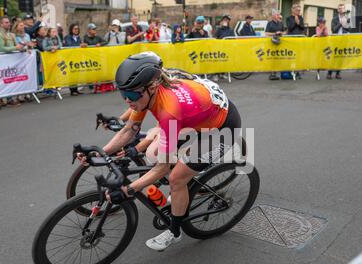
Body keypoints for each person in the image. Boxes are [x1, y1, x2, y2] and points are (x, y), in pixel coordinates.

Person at [78, 52, 242, 251]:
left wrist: (129, 190)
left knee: (175, 179)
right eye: (123, 95)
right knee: (155, 152)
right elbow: (129, 129)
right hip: (199, 115)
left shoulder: (169, 111)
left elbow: (162, 168)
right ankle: (189, 183)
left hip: (222, 130)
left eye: (131, 95)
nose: (128, 100)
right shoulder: (145, 93)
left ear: (152, 86)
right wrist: (98, 153)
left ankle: (175, 231)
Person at [0, 16, 26, 107]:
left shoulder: (12, 35)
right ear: (1, 24)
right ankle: (4, 98)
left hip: (13, 62)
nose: (8, 24)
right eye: (6, 22)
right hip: (3, 62)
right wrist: (15, 48)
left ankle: (12, 98)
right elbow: (1, 49)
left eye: (8, 22)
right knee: (4, 80)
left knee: (12, 80)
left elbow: (17, 46)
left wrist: (23, 49)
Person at [328, 4, 351, 80]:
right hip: (335, 40)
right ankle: (329, 73)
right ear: (338, 10)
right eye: (340, 9)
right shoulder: (334, 19)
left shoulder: (347, 18)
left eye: (342, 8)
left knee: (340, 57)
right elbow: (333, 30)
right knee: (333, 57)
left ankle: (338, 73)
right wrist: (340, 24)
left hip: (343, 40)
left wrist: (345, 25)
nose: (341, 10)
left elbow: (349, 29)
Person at [64, 24, 86, 95]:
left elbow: (80, 45)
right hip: (70, 57)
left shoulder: (79, 37)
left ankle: (76, 89)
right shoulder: (68, 37)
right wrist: (80, 46)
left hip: (77, 57)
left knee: (76, 73)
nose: (76, 30)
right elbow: (69, 45)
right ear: (71, 29)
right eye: (74, 29)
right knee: (72, 74)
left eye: (77, 29)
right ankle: (72, 90)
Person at [265, 10, 285, 80]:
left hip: (280, 43)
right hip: (272, 43)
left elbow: (284, 32)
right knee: (273, 58)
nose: (278, 16)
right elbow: (266, 34)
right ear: (273, 16)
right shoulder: (269, 23)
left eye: (279, 15)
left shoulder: (281, 23)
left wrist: (281, 33)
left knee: (278, 58)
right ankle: (272, 74)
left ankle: (277, 73)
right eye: (277, 15)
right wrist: (275, 33)